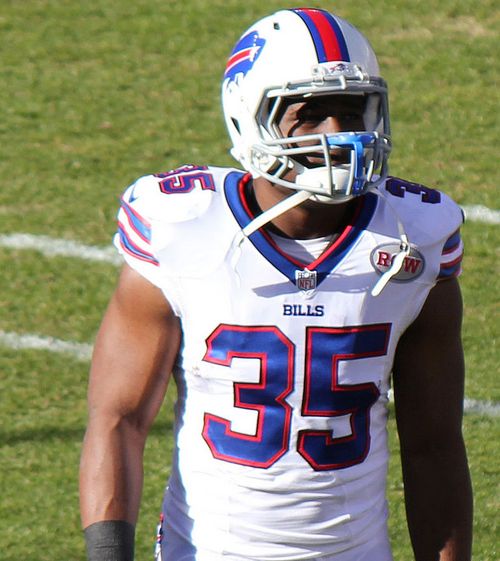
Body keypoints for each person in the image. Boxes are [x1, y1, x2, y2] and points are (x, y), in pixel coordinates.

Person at [79, 7, 473, 561]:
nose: (338, 134)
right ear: (247, 116)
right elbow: (119, 419)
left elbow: (433, 445)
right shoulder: (184, 229)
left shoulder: (415, 240)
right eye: (310, 114)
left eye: (351, 110)